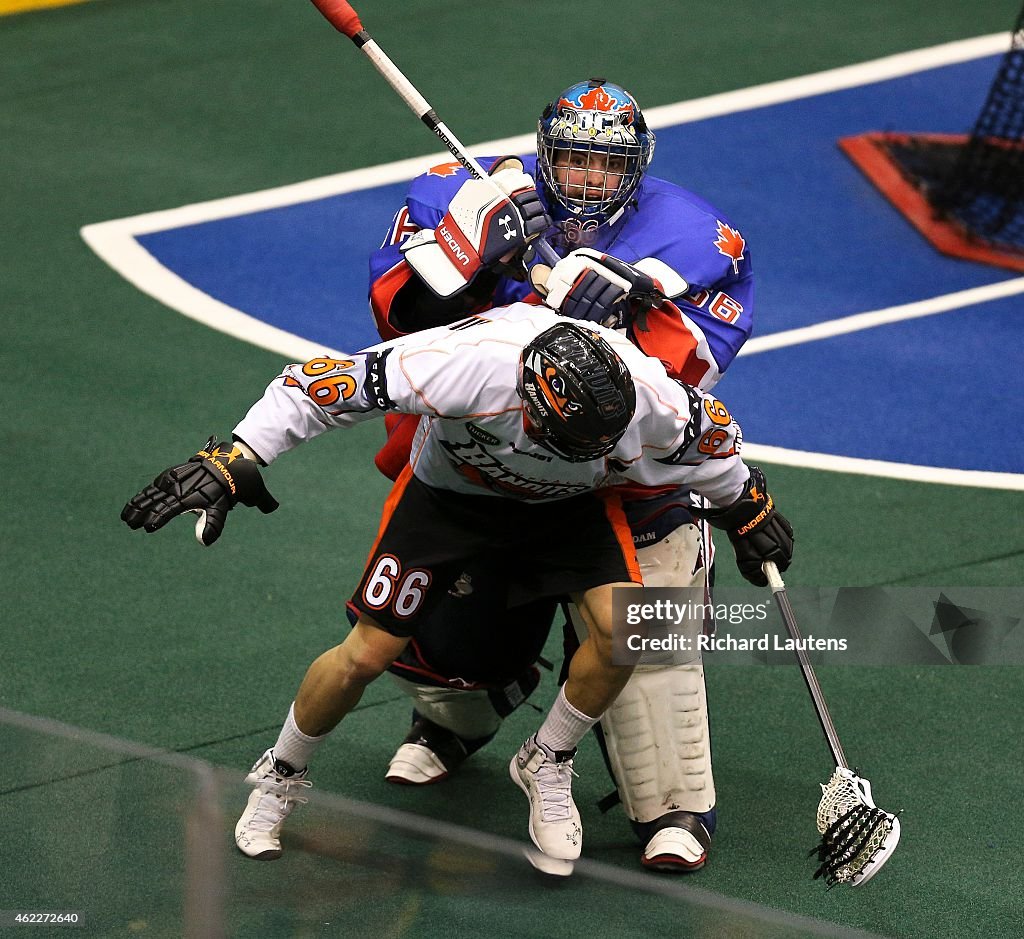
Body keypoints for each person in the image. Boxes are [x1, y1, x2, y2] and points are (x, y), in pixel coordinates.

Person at [121, 309, 793, 877]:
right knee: (365, 655)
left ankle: (547, 758)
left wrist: (747, 512)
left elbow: (717, 455)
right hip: (451, 501)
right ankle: (279, 775)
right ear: (529, 401)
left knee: (627, 632)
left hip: (567, 511)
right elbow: (313, 386)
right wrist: (241, 455)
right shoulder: (463, 364)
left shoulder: (652, 399)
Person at [364, 78, 754, 871]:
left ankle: (671, 800)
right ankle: (454, 718)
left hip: (617, 476)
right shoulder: (469, 198)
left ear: (636, 168)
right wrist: (472, 264)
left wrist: (618, 314)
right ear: (546, 157)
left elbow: (683, 383)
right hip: (490, 463)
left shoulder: (699, 238)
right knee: (446, 644)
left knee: (652, 634)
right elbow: (395, 324)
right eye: (572, 161)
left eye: (604, 166)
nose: (585, 181)